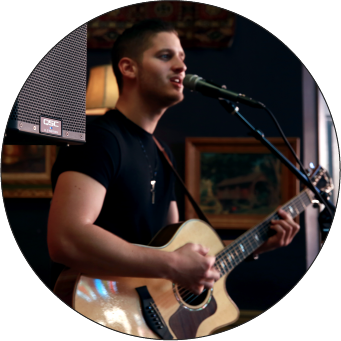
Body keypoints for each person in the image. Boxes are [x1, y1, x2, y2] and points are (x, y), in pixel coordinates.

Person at [47, 19, 300, 296]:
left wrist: (258, 244)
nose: (182, 67)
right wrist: (172, 264)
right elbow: (65, 238)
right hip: (102, 305)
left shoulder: (163, 153)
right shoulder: (100, 138)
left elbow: (174, 251)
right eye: (165, 56)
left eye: (182, 58)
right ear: (128, 67)